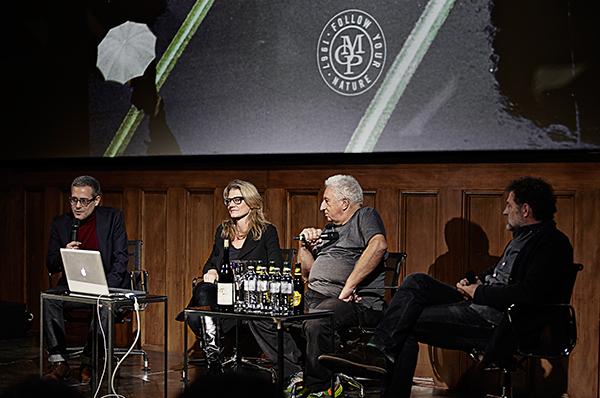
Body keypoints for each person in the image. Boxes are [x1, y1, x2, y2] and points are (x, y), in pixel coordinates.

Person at [318, 176, 574, 398]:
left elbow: (528, 294)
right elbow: (501, 277)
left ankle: (377, 351)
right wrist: (476, 283)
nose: (505, 212)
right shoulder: (523, 238)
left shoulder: (552, 243)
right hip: (481, 305)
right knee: (417, 282)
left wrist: (480, 292)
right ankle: (378, 350)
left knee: (404, 325)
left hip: (504, 322)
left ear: (526, 210)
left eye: (509, 206)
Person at [249, 174, 388, 397]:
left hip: (354, 304)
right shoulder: (330, 231)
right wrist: (305, 246)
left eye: (327, 200)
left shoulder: (365, 216)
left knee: (318, 319)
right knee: (260, 313)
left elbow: (379, 245)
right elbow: (307, 274)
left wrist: (349, 287)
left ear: (344, 203)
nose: (322, 206)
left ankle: (320, 388)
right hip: (315, 299)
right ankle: (294, 375)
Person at [177, 179, 283, 373]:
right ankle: (215, 356)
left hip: (249, 296)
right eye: (228, 201)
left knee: (198, 315)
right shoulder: (223, 231)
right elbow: (211, 262)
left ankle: (214, 358)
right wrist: (211, 271)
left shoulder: (267, 232)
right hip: (221, 294)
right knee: (201, 295)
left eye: (237, 200)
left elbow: (275, 267)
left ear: (251, 202)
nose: (231, 205)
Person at [43, 175, 129, 383]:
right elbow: (51, 263)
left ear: (97, 200)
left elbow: (121, 259)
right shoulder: (61, 223)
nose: (77, 206)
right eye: (73, 200)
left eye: (83, 201)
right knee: (49, 299)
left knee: (104, 307)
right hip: (73, 288)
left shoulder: (112, 219)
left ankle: (89, 362)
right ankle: (59, 362)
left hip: (107, 287)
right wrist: (65, 253)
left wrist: (106, 288)